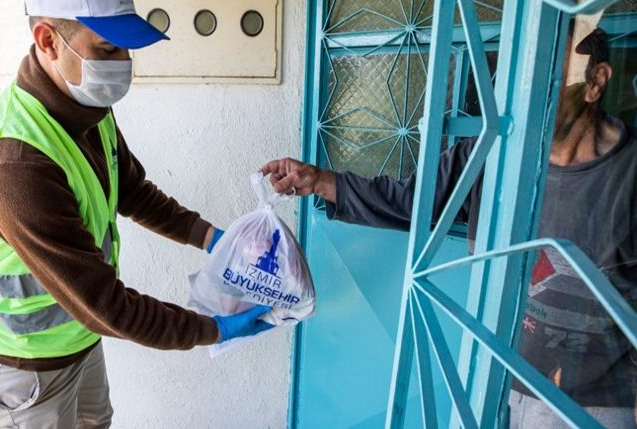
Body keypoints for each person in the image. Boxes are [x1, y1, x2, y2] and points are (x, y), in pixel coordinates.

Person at [0, 0, 271, 427]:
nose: (123, 63)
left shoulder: (86, 107)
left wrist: (213, 239)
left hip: (79, 342)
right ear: (47, 41)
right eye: (107, 49)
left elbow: (133, 191)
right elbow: (107, 305)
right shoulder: (13, 166)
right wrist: (215, 330)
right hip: (23, 372)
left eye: (124, 48)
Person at [262, 27, 636, 428]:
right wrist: (319, 180)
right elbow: (409, 202)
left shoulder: (627, 178)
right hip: (494, 379)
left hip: (592, 405)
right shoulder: (490, 153)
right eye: (518, 76)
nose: (523, 94)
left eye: (546, 74)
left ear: (595, 82)